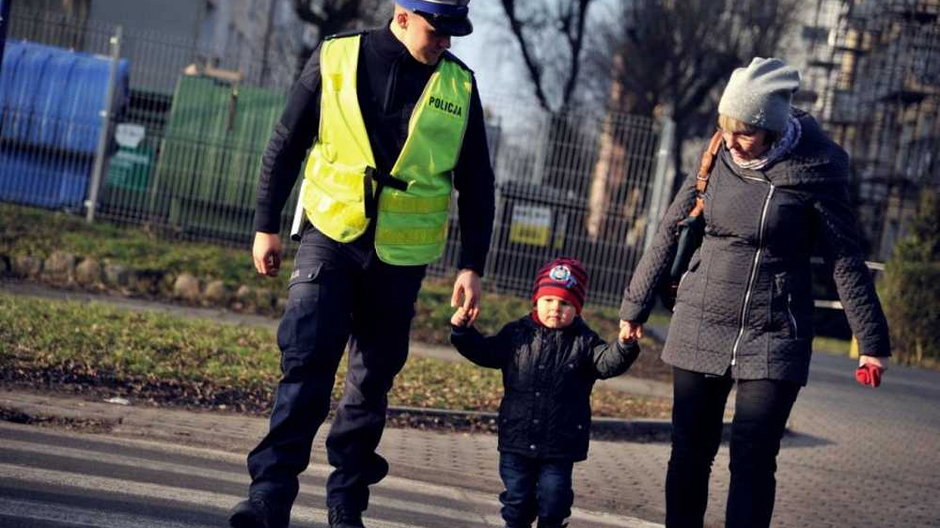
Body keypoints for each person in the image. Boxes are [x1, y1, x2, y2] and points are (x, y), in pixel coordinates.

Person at [229, 1, 495, 527]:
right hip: (331, 235)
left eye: (452, 33)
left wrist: (471, 265)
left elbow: (478, 181)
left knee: (370, 383)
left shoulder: (459, 86)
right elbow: (286, 141)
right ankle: (268, 498)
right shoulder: (334, 57)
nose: (445, 41)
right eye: (436, 30)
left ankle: (345, 504)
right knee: (306, 364)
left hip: (401, 256)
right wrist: (266, 225)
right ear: (401, 16)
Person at [618, 57, 890, 528]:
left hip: (776, 330)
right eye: (727, 128)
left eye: (744, 131)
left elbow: (844, 258)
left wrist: (871, 342)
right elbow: (668, 230)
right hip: (702, 318)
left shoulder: (816, 172)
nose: (733, 141)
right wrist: (635, 306)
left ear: (771, 126)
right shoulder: (717, 156)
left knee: (753, 461)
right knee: (689, 455)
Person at [451, 257, 640, 528]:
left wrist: (624, 345)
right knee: (517, 502)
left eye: (565, 303)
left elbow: (607, 363)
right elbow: (485, 352)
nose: (555, 309)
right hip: (517, 437)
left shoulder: (584, 342)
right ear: (536, 301)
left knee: (554, 501)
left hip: (560, 444)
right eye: (549, 300)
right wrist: (462, 331)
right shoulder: (517, 334)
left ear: (577, 308)